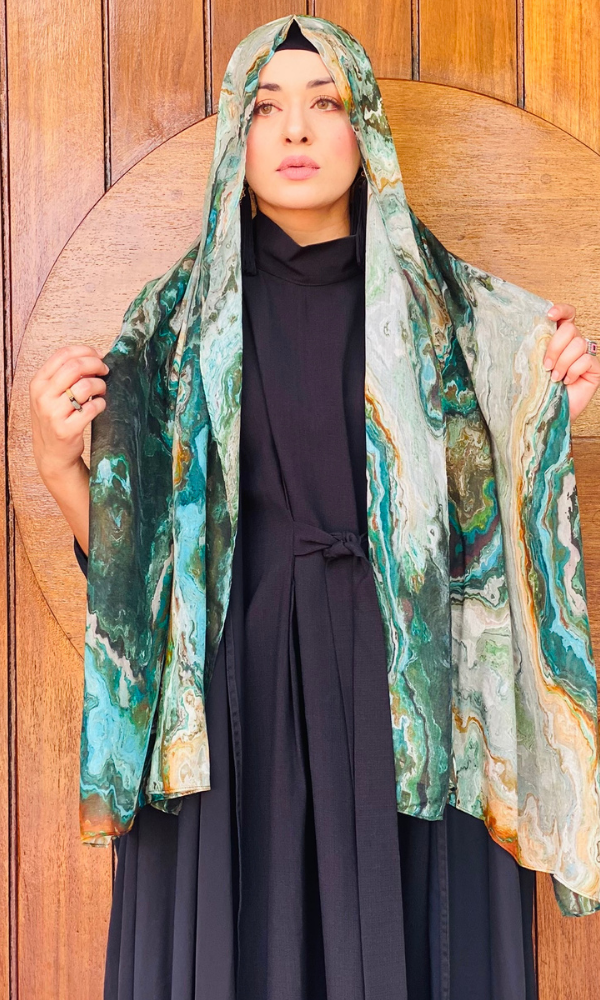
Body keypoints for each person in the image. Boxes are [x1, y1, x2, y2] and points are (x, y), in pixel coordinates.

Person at [29, 15, 600, 1000]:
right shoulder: (168, 336)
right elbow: (139, 580)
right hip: (233, 717)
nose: (295, 129)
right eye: (266, 108)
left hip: (414, 707)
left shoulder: (462, 321)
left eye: (324, 102)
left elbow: (495, 533)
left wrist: (537, 414)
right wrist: (57, 467)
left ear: (364, 127)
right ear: (235, 139)